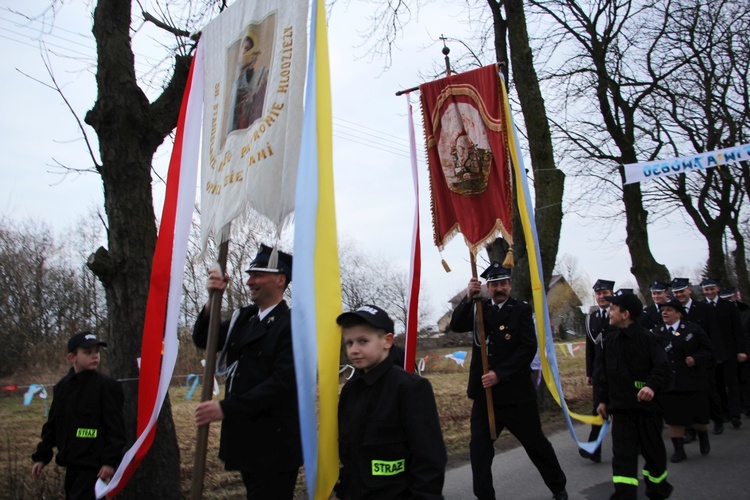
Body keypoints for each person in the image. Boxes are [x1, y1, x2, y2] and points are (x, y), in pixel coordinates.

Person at [450, 262, 568, 500]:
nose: (499, 289)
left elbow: (527, 348)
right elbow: (456, 325)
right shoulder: (479, 308)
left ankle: (558, 488)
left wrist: (500, 374)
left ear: (510, 285)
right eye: (494, 285)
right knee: (479, 451)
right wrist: (468, 296)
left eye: (503, 284)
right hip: (486, 396)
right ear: (488, 287)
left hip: (516, 395)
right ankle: (485, 496)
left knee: (536, 445)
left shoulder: (521, 310)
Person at [192, 244, 301, 499]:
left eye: (257, 275)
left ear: (280, 280)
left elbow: (282, 383)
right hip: (246, 439)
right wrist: (212, 299)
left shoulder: (293, 324)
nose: (250, 281)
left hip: (275, 444)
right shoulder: (244, 318)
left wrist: (224, 408)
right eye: (250, 275)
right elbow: (204, 340)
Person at [336, 304, 446, 499]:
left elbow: (429, 459)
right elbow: (349, 452)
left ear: (387, 341)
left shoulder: (411, 388)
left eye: (363, 341)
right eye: (349, 343)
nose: (354, 350)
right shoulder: (349, 391)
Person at [31, 331, 125, 499]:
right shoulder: (62, 388)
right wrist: (42, 457)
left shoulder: (107, 387)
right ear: (72, 357)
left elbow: (116, 429)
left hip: (94, 469)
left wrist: (109, 461)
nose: (95, 356)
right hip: (71, 466)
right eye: (88, 352)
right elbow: (53, 425)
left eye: (97, 352)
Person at [597, 293, 673, 499]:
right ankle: (625, 494)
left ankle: (657, 488)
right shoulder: (610, 340)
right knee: (622, 456)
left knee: (653, 452)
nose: (609, 312)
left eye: (613, 308)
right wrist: (602, 400)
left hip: (647, 410)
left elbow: (663, 369)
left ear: (626, 314)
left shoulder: (649, 339)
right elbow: (604, 373)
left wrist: (651, 387)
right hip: (621, 410)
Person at [651, 296, 714, 462]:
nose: (665, 312)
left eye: (669, 310)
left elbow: (708, 350)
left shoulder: (693, 330)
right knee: (674, 418)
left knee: (697, 419)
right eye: (663, 310)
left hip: (692, 381)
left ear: (678, 314)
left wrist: (696, 359)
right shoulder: (657, 333)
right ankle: (679, 450)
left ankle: (703, 435)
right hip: (669, 383)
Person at [671, 277, 726, 435]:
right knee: (687, 396)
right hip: (682, 361)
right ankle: (690, 429)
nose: (680, 295)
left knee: (710, 390)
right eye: (676, 292)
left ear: (689, 290)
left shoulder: (703, 308)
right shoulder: (673, 310)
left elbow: (714, 333)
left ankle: (717, 419)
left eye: (682, 291)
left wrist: (715, 355)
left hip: (702, 357)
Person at [701, 278, 747, 429]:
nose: (709, 292)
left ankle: (735, 414)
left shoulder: (728, 306)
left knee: (732, 383)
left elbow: (738, 329)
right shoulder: (702, 307)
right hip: (711, 353)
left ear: (717, 289)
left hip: (729, 350)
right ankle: (724, 413)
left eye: (711, 289)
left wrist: (741, 350)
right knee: (717, 386)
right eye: (706, 290)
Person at [581, 278, 616, 463]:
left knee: (621, 411)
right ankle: (594, 448)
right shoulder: (592, 318)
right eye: (599, 294)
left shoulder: (618, 314)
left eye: (605, 293)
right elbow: (590, 348)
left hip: (618, 372)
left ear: (612, 294)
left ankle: (636, 445)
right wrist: (589, 373)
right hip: (599, 373)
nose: (602, 297)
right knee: (597, 411)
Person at [720, 287, 750, 416]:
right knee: (732, 382)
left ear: (736, 297)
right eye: (725, 299)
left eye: (730, 298)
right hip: (729, 351)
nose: (729, 301)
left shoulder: (746, 311)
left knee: (746, 380)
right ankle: (735, 409)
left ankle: (747, 406)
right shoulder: (721, 312)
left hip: (746, 350)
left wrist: (744, 351)